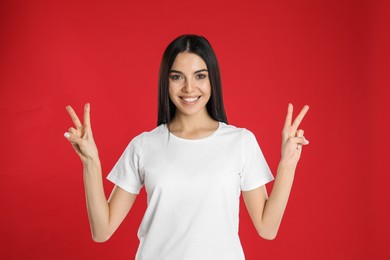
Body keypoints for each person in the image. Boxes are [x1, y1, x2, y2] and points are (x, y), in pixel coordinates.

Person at [64, 34, 309, 260]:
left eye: (200, 76)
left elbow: (267, 228)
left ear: (212, 79)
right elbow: (102, 230)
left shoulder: (240, 142)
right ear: (166, 81)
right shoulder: (144, 145)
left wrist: (288, 163)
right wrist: (91, 163)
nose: (189, 88)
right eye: (177, 76)